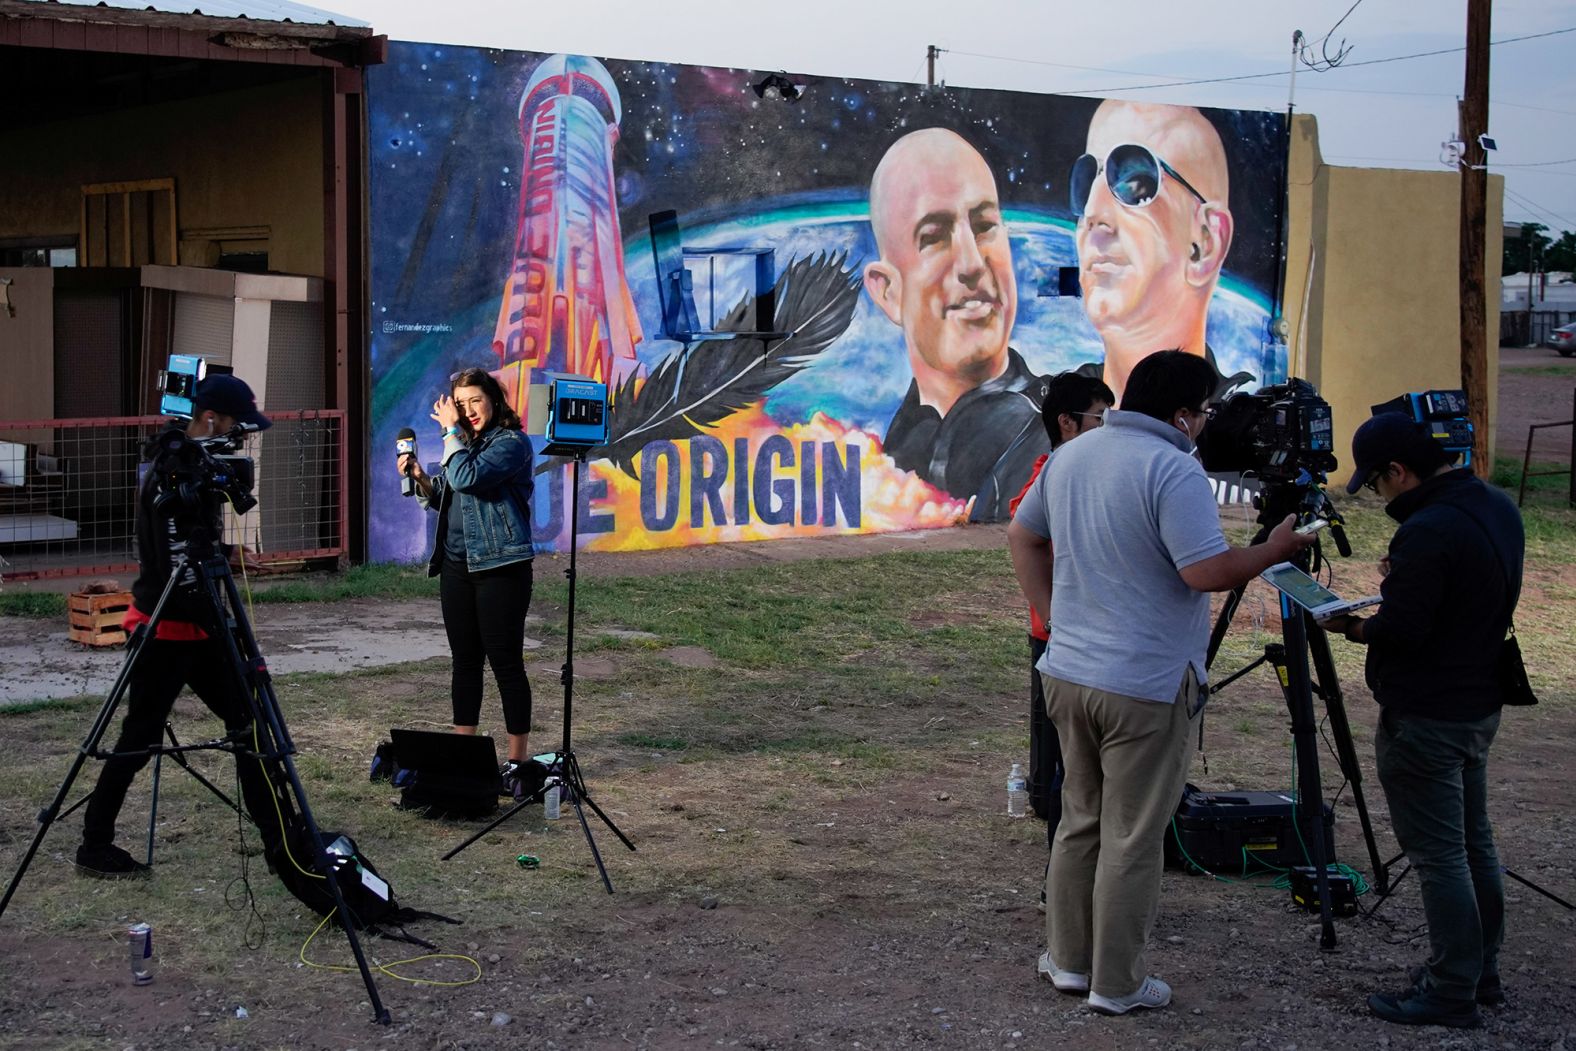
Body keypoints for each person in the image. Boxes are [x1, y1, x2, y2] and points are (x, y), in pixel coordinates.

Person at [1007, 350, 1313, 1014]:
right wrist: (1273, 550)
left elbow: (1021, 536)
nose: (1206, 424)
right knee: (1132, 832)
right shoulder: (1172, 468)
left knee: (1080, 818)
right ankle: (1117, 983)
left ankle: (1067, 960)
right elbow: (1204, 571)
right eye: (1203, 411)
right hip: (1142, 683)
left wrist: (1055, 615)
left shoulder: (1074, 455)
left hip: (1069, 670)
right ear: (1182, 413)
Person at [1320, 413, 1524, 1030]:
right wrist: (1404, 581)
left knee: (1440, 857)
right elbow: (1468, 588)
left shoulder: (1429, 529)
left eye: (1378, 485)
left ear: (1398, 472)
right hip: (1477, 700)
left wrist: (1351, 627)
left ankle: (1450, 990)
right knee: (1473, 844)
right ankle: (1478, 970)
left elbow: (1403, 630)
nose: (1380, 496)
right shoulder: (1492, 504)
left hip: (1427, 714)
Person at [77, 375, 277, 879]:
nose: (238, 441)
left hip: (193, 625)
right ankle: (94, 843)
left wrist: (226, 555)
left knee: (248, 724)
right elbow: (177, 565)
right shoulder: (175, 472)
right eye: (234, 427)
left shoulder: (186, 466)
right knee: (140, 738)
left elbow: (191, 549)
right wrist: (224, 622)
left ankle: (279, 832)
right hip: (168, 628)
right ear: (210, 419)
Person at [863, 127, 1048, 519]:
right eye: (934, 237)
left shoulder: (1047, 435)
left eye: (984, 227)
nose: (972, 263)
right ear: (888, 293)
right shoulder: (901, 446)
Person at [400, 367, 537, 789]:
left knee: (506, 665)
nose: (467, 411)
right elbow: (450, 493)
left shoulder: (511, 443)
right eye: (460, 405)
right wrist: (422, 480)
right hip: (456, 567)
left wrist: (449, 432)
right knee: (465, 663)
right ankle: (465, 754)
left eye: (475, 401)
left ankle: (516, 762)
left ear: (494, 400)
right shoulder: (463, 445)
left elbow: (467, 477)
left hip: (501, 569)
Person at [1007, 371, 1114, 910]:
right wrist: (1054, 620)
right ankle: (1064, 886)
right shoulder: (1052, 475)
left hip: (1090, 640)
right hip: (1058, 641)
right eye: (1100, 418)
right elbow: (1022, 530)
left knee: (1088, 772)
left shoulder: (1091, 469)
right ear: (1068, 423)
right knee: (1065, 773)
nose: (1108, 429)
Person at [1071, 101, 1250, 403]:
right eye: (1087, 180)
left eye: (1135, 185)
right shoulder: (1044, 422)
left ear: (1205, 244)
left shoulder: (1233, 437)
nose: (1091, 211)